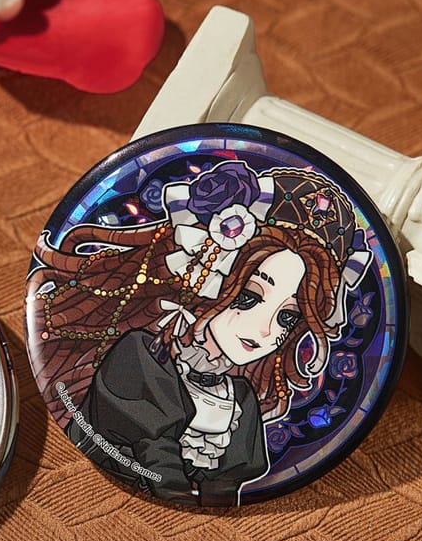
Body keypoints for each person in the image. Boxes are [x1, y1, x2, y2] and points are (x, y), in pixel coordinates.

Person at [29, 160, 371, 505]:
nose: (264, 329)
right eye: (249, 297)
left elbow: (227, 489)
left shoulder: (242, 400)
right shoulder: (141, 358)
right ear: (208, 281)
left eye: (287, 318)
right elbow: (161, 467)